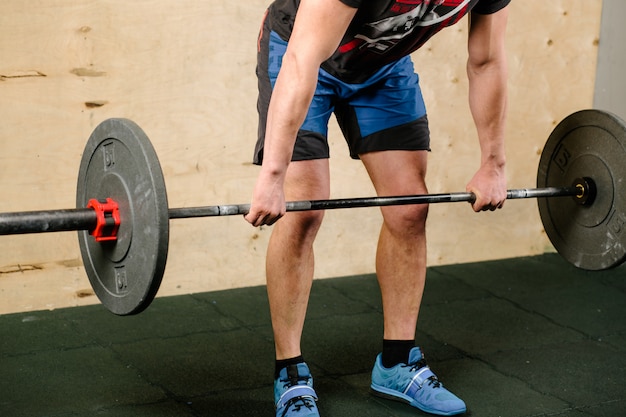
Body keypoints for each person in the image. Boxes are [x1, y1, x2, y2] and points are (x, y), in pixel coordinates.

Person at [244, 0, 510, 416]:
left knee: (410, 208)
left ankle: (397, 363)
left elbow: (487, 61)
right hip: (304, 53)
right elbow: (301, 61)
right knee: (304, 209)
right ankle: (290, 372)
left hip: (383, 65)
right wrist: (273, 176)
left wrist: (493, 162)